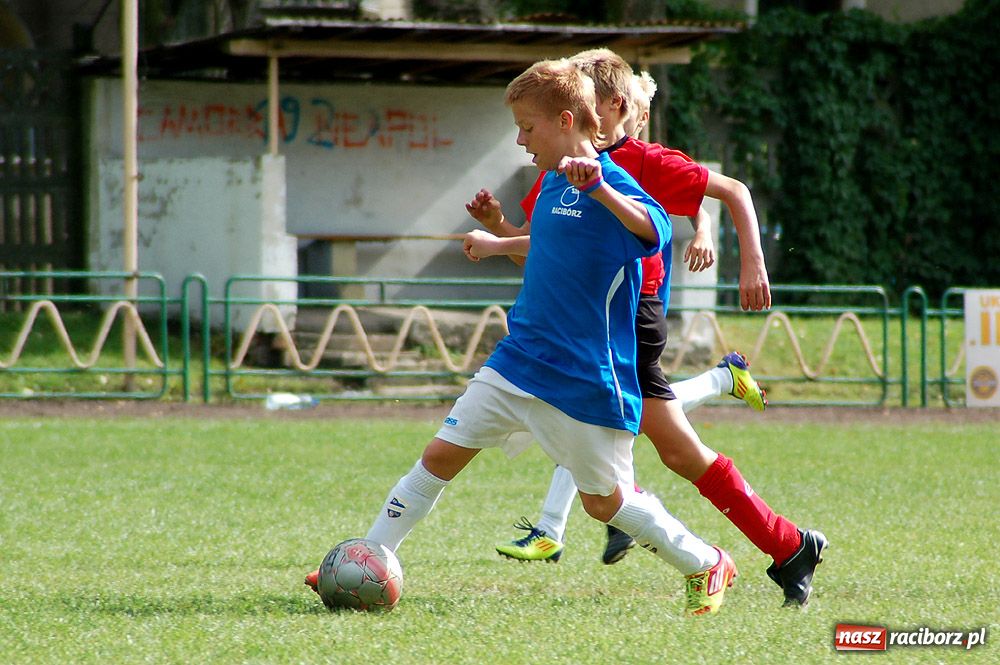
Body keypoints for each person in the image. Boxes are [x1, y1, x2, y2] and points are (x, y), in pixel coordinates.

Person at [307, 58, 737, 616]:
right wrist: (497, 241)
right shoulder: (554, 182)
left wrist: (603, 188)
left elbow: (654, 230)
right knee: (440, 455)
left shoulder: (614, 183)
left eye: (527, 128)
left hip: (587, 380)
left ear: (565, 121)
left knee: (604, 503)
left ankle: (705, 561)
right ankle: (369, 557)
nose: (519, 140)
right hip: (521, 359)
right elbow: (549, 247)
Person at [476, 50, 826, 608]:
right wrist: (498, 234)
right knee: (675, 450)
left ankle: (600, 521)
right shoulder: (559, 170)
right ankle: (782, 543)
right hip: (586, 321)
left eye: (585, 98)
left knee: (635, 436)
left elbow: (728, 191)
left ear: (604, 107)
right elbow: (545, 252)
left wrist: (750, 261)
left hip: (629, 319)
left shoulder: (637, 162)